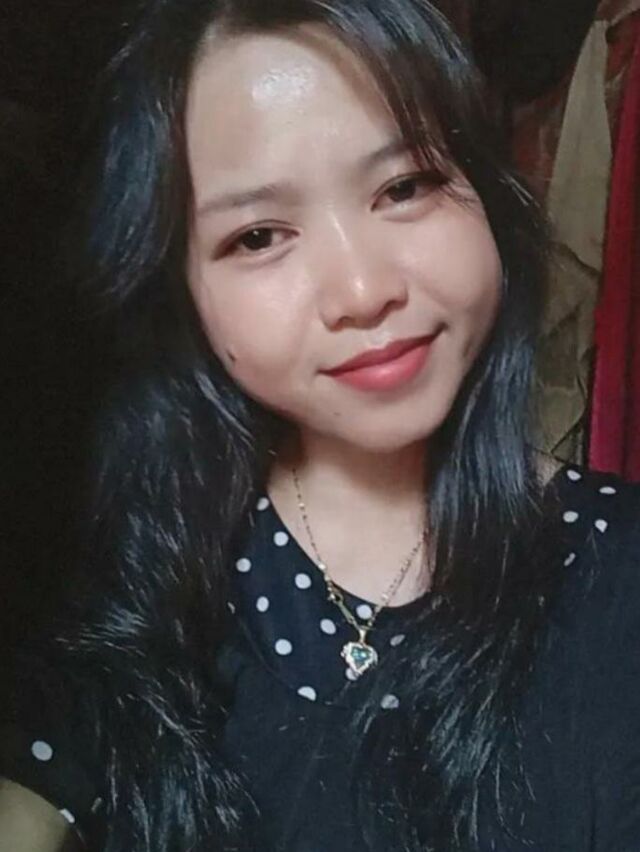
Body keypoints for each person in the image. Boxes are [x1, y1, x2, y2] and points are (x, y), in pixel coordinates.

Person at [1, 1, 639, 850]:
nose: (362, 292)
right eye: (259, 236)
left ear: (486, 191)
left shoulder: (619, 570)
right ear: (180, 290)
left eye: (405, 186)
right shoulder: (142, 589)